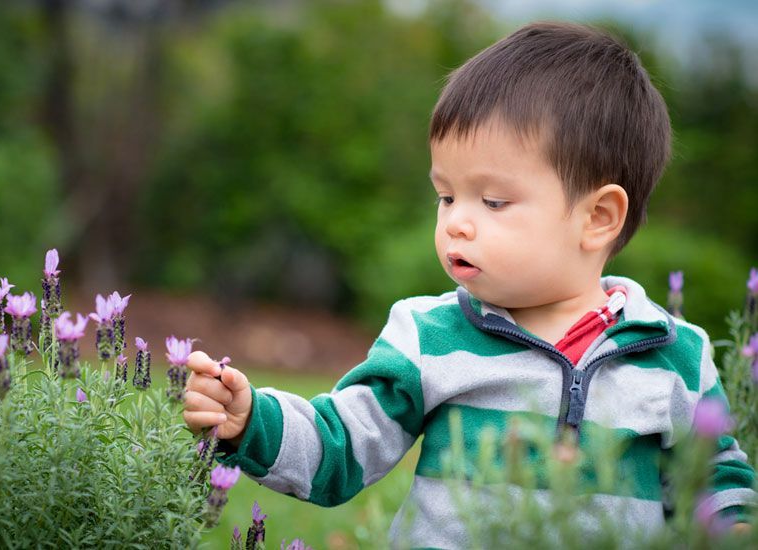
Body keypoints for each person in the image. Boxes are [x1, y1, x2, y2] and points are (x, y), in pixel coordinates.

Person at [182, 21, 756, 547]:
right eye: (446, 196)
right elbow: (342, 444)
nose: (456, 221)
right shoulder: (430, 337)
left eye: (494, 201)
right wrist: (252, 420)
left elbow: (716, 482)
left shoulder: (674, 356)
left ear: (598, 217)